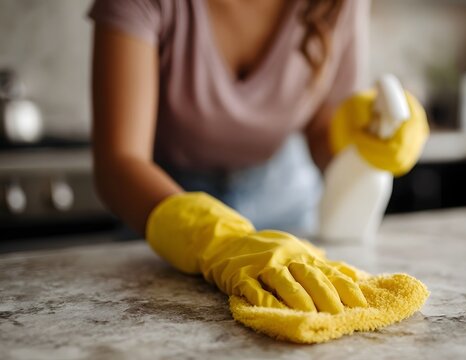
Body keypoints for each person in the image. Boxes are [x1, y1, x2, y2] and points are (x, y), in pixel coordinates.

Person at [89, 0, 427, 313]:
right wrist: (218, 238)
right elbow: (119, 163)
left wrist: (355, 139)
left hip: (288, 209)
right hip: (162, 209)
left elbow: (321, 130)